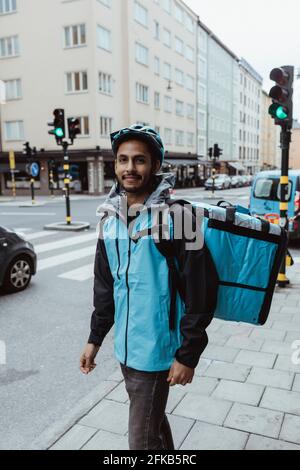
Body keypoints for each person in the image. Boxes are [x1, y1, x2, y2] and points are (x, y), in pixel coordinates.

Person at [80, 124, 218, 450]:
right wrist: (95, 339)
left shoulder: (179, 216)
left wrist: (188, 354)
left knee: (139, 443)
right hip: (126, 351)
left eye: (139, 160)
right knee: (152, 425)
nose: (130, 168)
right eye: (123, 160)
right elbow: (105, 287)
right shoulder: (109, 220)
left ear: (155, 165)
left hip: (157, 352)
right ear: (114, 165)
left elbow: (202, 289)